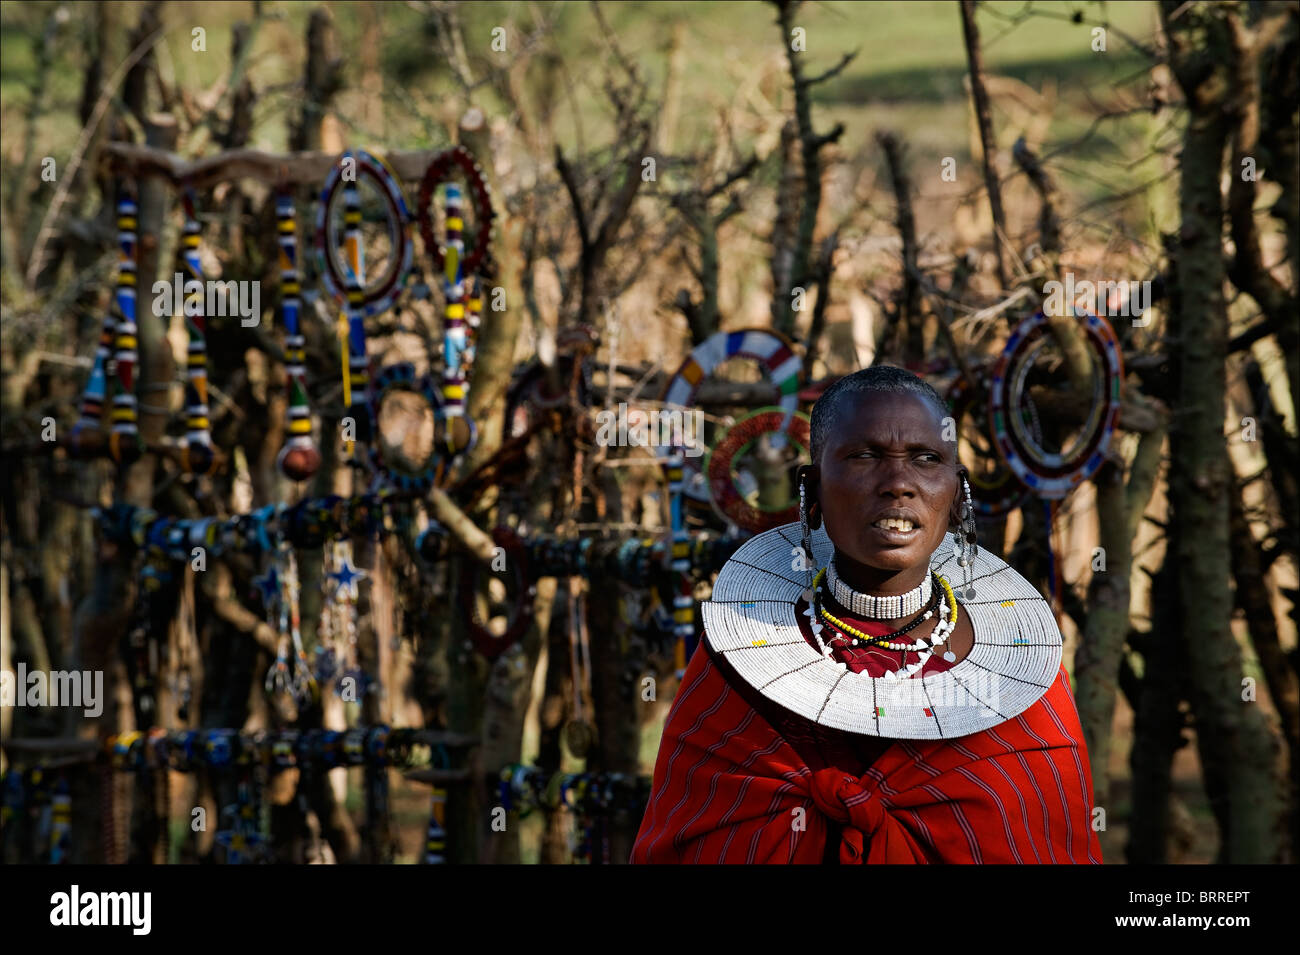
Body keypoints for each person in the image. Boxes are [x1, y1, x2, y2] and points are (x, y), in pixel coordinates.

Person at [630, 365, 1102, 864]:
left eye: (926, 458)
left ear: (957, 494)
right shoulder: (733, 667)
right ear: (811, 492)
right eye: (864, 456)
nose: (898, 483)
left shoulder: (1021, 684)